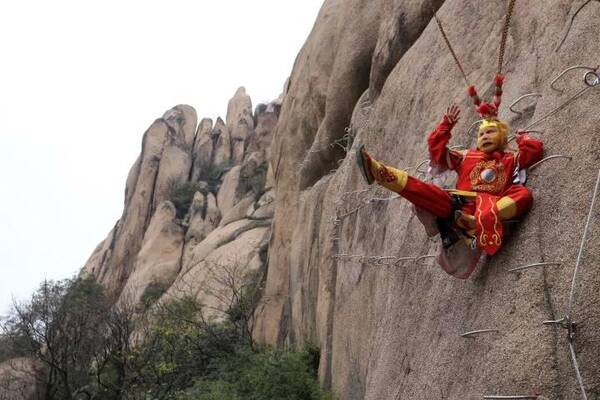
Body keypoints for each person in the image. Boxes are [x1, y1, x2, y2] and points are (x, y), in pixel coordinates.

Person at [356, 77, 544, 256]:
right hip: (459, 206)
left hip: (490, 207)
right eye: (482, 134)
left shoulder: (511, 159)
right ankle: (377, 171)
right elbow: (436, 151)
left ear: (503, 138)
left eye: (491, 132)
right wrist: (446, 126)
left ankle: (477, 223)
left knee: (523, 195)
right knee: (422, 189)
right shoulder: (466, 156)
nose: (485, 136)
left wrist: (522, 138)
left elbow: (534, 152)